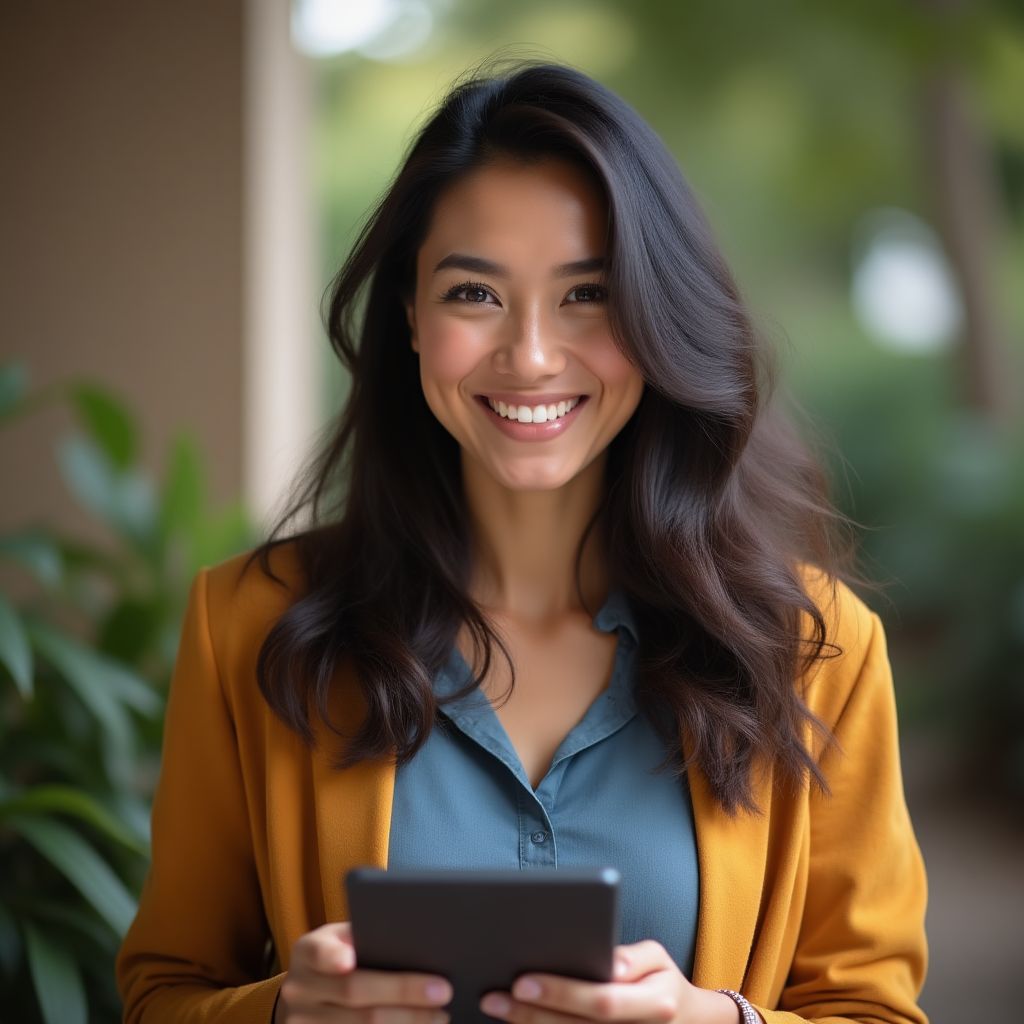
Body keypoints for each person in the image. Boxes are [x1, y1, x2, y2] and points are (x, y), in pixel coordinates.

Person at [115, 59, 928, 1024]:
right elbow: (163, 991)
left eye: (587, 295)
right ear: (411, 317)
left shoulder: (815, 649)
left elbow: (876, 1010)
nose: (533, 355)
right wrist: (285, 1010)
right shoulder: (249, 625)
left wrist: (715, 1022)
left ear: (658, 313)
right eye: (474, 295)